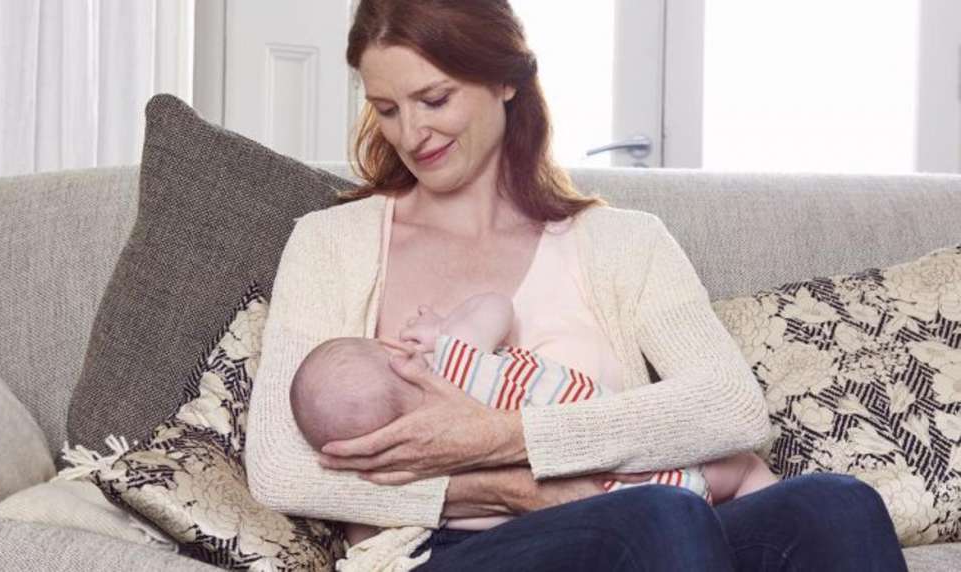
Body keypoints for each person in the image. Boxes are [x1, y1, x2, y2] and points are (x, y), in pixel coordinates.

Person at [245, 0, 908, 570]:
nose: (411, 134)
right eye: (386, 109)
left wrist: (504, 436)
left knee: (836, 503)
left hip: (641, 522)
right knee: (661, 516)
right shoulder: (331, 243)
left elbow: (730, 407)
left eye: (435, 99)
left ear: (505, 79)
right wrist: (512, 490)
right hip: (447, 550)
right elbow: (279, 467)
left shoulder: (625, 242)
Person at [288, 291, 779, 540]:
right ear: (397, 355)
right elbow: (495, 307)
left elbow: (491, 518)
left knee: (818, 501)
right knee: (745, 469)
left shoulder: (420, 466)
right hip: (640, 466)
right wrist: (442, 331)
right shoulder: (456, 362)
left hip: (620, 494)